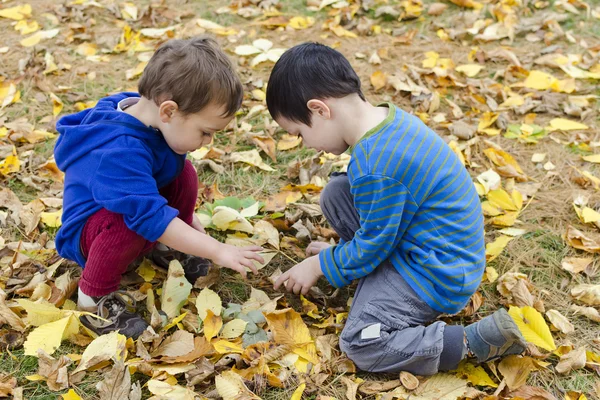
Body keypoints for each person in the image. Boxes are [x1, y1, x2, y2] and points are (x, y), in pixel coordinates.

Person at [267, 42, 526, 375]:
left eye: (299, 133)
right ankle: (364, 267)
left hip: (437, 273)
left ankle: (469, 341)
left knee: (361, 341)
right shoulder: (387, 123)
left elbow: (374, 242)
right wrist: (340, 257)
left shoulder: (378, 165)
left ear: (319, 109)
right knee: (336, 192)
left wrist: (320, 264)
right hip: (433, 245)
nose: (305, 144)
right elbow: (378, 222)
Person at [54, 37, 264, 338]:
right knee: (130, 223)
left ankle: (168, 246)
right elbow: (148, 216)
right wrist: (217, 250)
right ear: (168, 111)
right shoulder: (119, 151)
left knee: (182, 173)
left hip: (129, 211)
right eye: (205, 132)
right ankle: (94, 297)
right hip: (91, 232)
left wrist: (190, 228)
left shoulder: (147, 114)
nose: (209, 142)